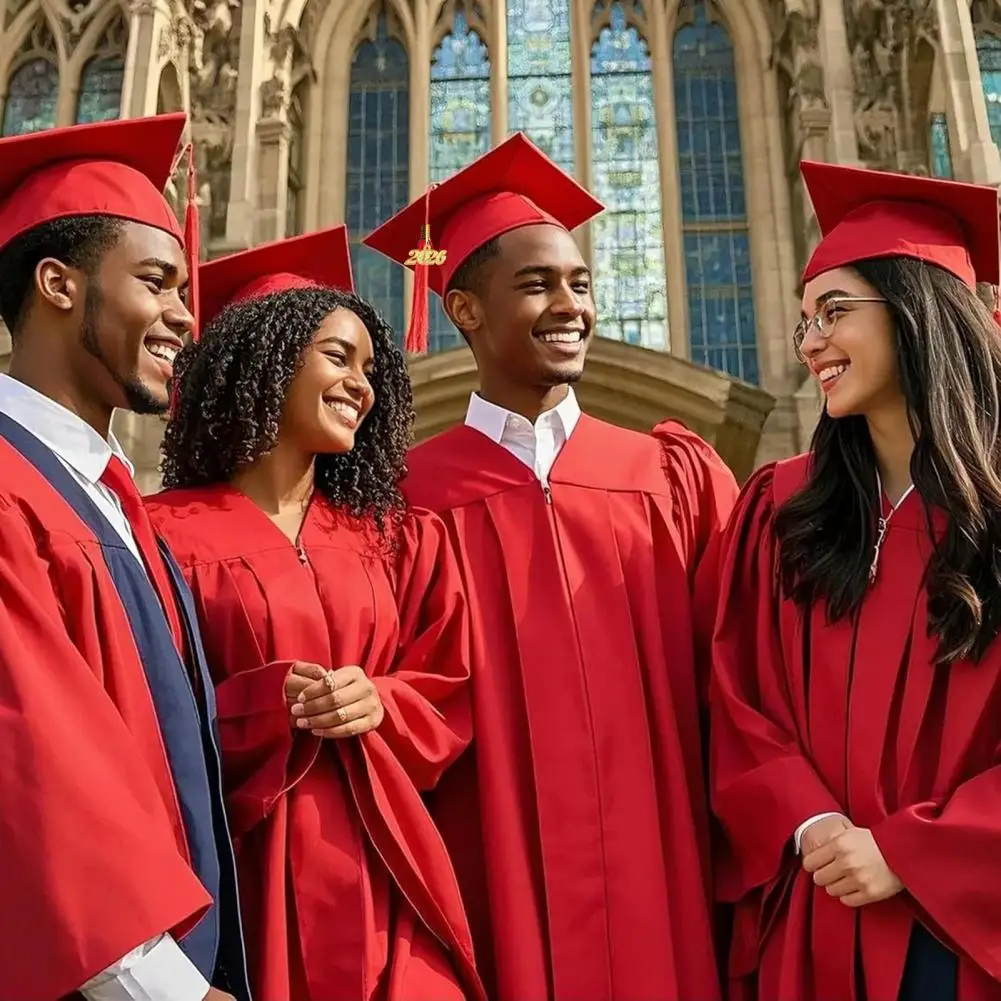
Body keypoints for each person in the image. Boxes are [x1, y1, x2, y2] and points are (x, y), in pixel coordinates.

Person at [363, 133, 737, 1001]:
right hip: (490, 874)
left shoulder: (669, 477)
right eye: (536, 283)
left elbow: (740, 674)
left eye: (579, 283)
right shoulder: (408, 499)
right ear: (462, 308)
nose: (570, 304)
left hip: (662, 877)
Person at [147, 227, 485, 1001]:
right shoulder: (158, 533)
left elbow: (446, 684)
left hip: (388, 872)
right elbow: (139, 717)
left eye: (370, 367)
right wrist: (261, 704)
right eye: (338, 357)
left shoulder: (400, 536)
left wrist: (382, 698)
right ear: (263, 363)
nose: (361, 385)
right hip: (241, 872)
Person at [709, 161, 1001, 1001]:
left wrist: (912, 852)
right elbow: (738, 696)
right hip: (819, 913)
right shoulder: (782, 509)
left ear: (915, 311)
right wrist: (811, 821)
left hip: (969, 928)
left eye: (834, 313)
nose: (809, 345)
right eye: (804, 320)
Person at [0, 114, 248, 1001]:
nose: (186, 314)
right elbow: (30, 753)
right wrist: (160, 986)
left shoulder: (110, 501)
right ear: (58, 284)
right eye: (156, 281)